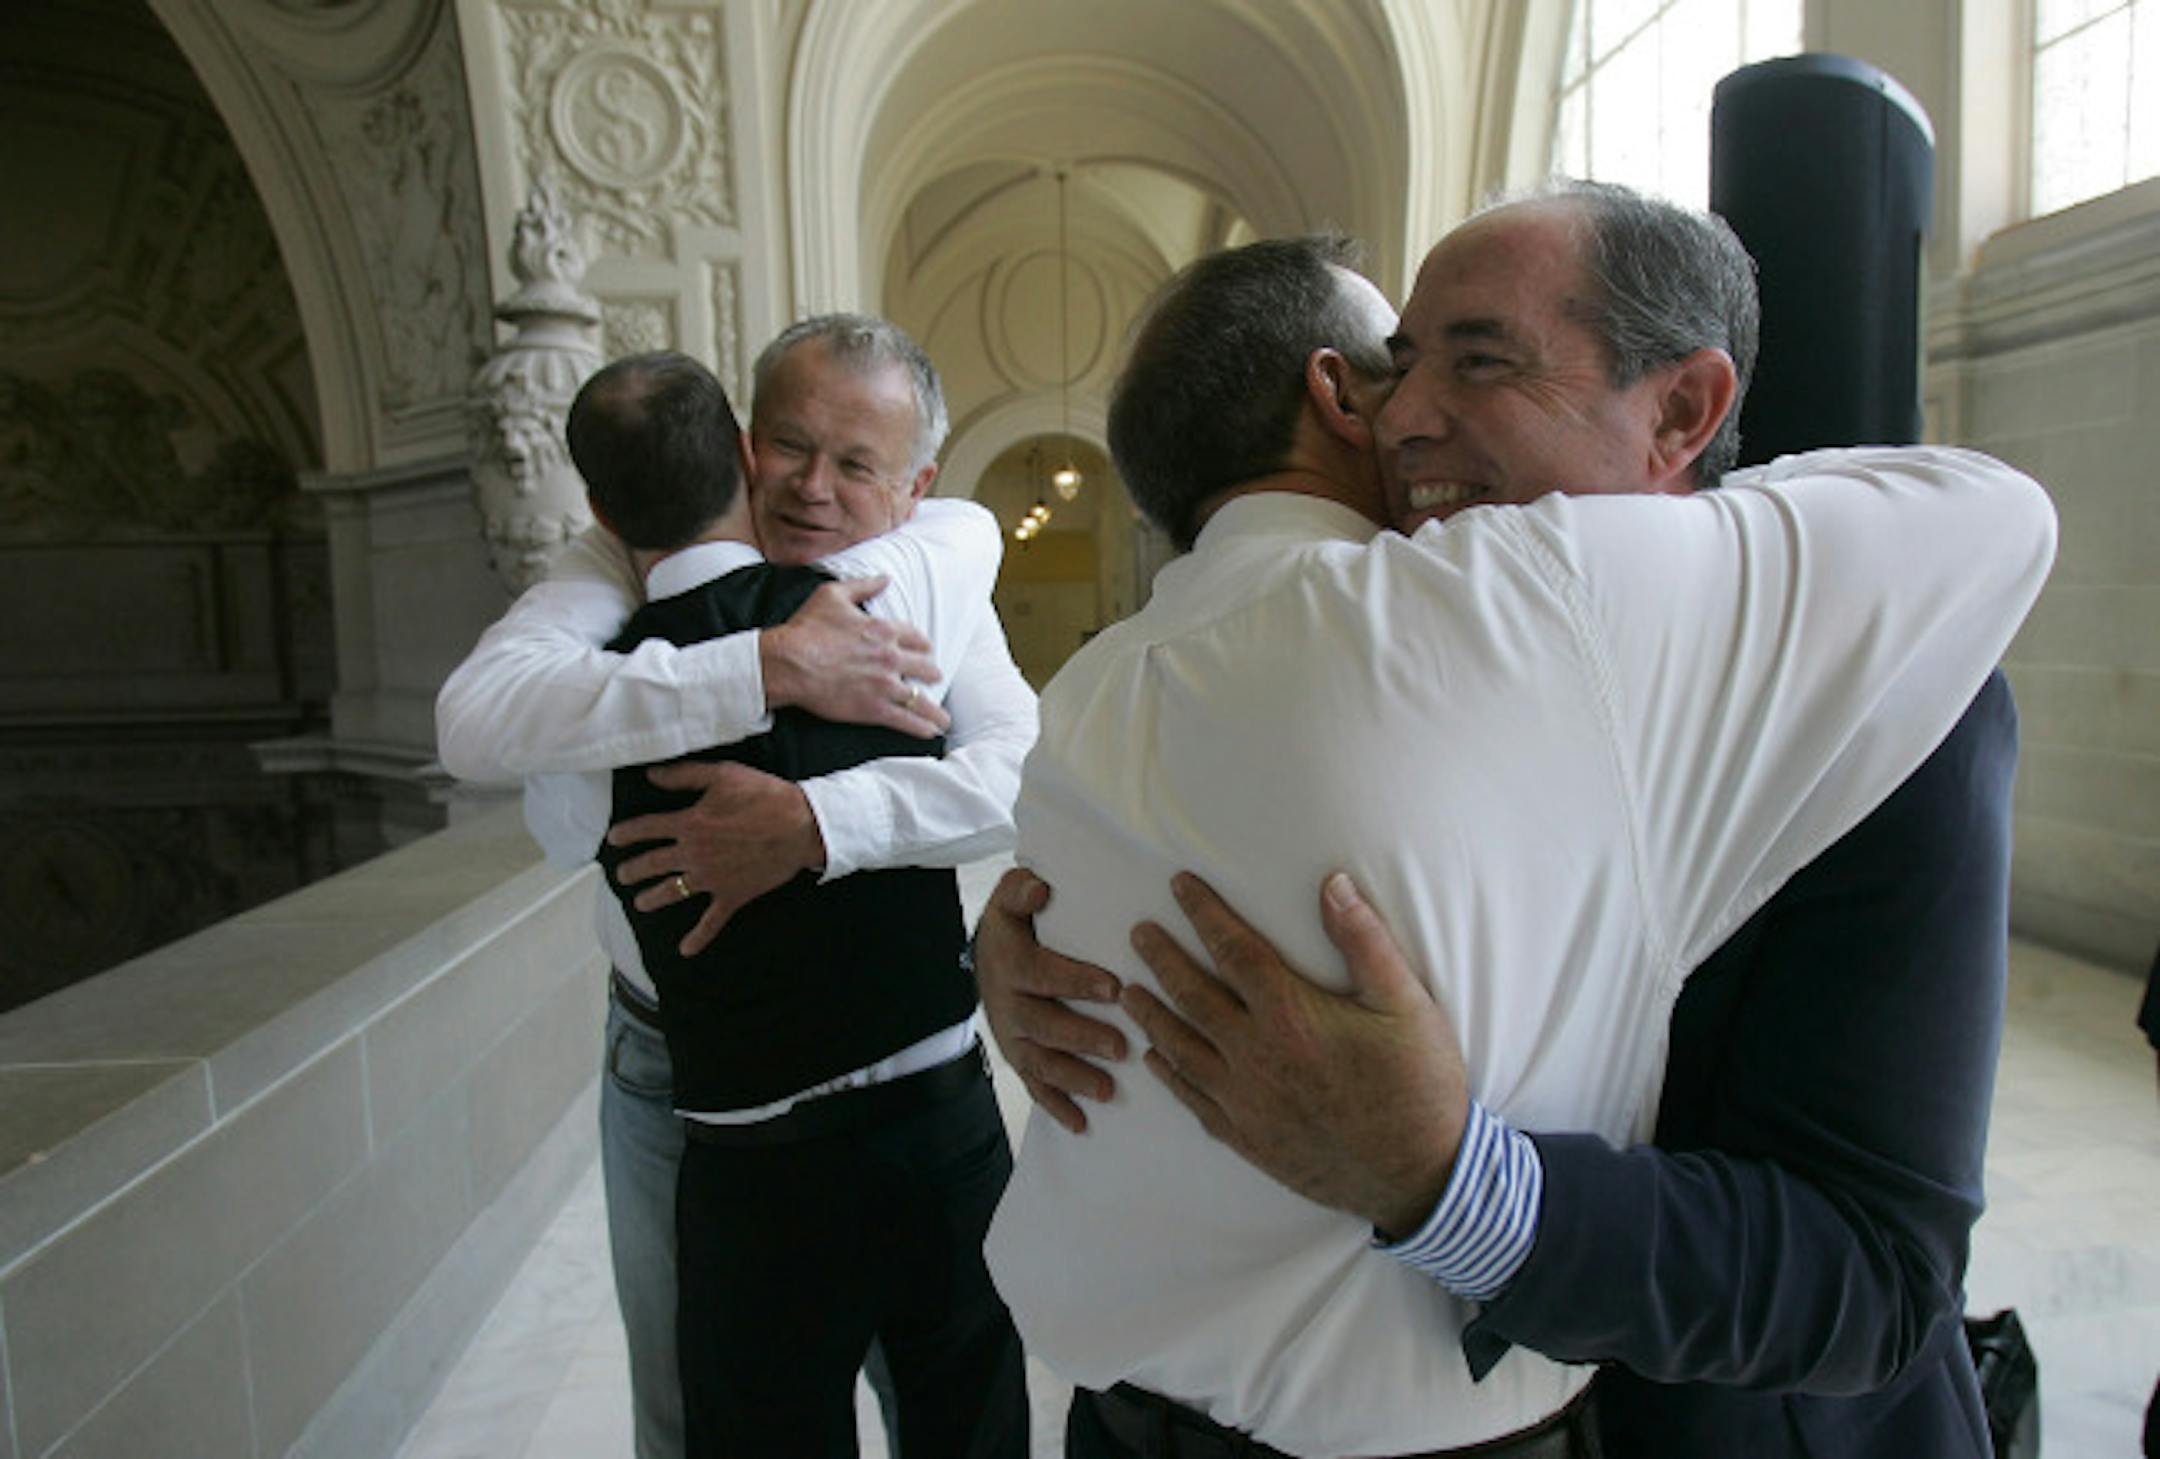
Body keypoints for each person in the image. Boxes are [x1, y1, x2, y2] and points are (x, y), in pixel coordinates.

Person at [975, 192, 2054, 1457]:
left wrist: (1451, 1180)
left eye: (1479, 360)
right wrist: (1054, 949)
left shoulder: (1883, 696)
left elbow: (1871, 1273)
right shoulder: (1387, 649)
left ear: (1681, 411)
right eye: (1397, 364)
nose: (1400, 413)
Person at [434, 319, 1036, 1458]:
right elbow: (475, 720)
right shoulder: (610, 572)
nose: (812, 488)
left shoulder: (933, 573)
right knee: (698, 1410)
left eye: (855, 465)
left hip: (911, 1072)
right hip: (678, 1074)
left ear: (915, 484)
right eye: (789, 446)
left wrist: (814, 822)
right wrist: (768, 667)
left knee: (950, 1401)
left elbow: (1023, 775)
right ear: (738, 446)